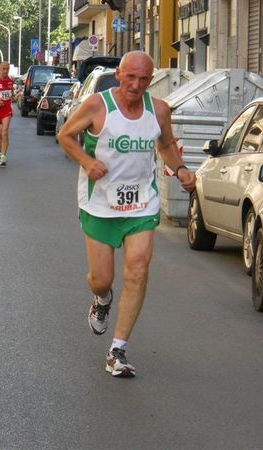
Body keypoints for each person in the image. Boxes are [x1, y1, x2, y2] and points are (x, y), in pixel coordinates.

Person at [58, 51, 196, 378]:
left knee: (137, 267)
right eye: (130, 77)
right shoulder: (96, 105)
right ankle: (101, 299)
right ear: (119, 74)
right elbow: (65, 135)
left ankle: (117, 349)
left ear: (150, 80)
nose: (135, 85)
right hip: (99, 203)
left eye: (143, 79)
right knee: (101, 278)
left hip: (141, 203)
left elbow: (165, 144)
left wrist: (181, 168)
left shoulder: (158, 110)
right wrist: (87, 162)